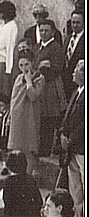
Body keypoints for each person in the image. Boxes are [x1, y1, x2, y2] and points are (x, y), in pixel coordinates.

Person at [8, 46, 45, 175]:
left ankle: (28, 176)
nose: (24, 68)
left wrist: (29, 81)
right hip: (18, 117)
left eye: (27, 64)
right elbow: (14, 99)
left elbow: (33, 96)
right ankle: (18, 175)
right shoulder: (18, 78)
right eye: (21, 65)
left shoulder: (39, 78)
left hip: (30, 117)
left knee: (28, 149)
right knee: (17, 148)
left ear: (32, 63)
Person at [33, 17, 67, 156]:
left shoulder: (56, 48)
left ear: (53, 32)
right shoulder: (37, 47)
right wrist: (40, 67)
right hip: (38, 86)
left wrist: (42, 68)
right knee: (40, 117)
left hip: (50, 88)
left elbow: (55, 70)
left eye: (46, 31)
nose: (43, 33)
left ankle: (46, 151)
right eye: (41, 30)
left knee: (49, 118)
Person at [58, 58, 85, 217]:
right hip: (71, 147)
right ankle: (79, 212)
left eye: (77, 70)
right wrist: (62, 134)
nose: (73, 72)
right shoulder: (77, 91)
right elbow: (68, 117)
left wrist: (71, 139)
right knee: (74, 182)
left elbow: (83, 123)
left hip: (81, 145)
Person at [63, 9, 84, 99]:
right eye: (73, 22)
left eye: (78, 23)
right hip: (66, 82)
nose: (75, 25)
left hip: (78, 82)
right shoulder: (68, 39)